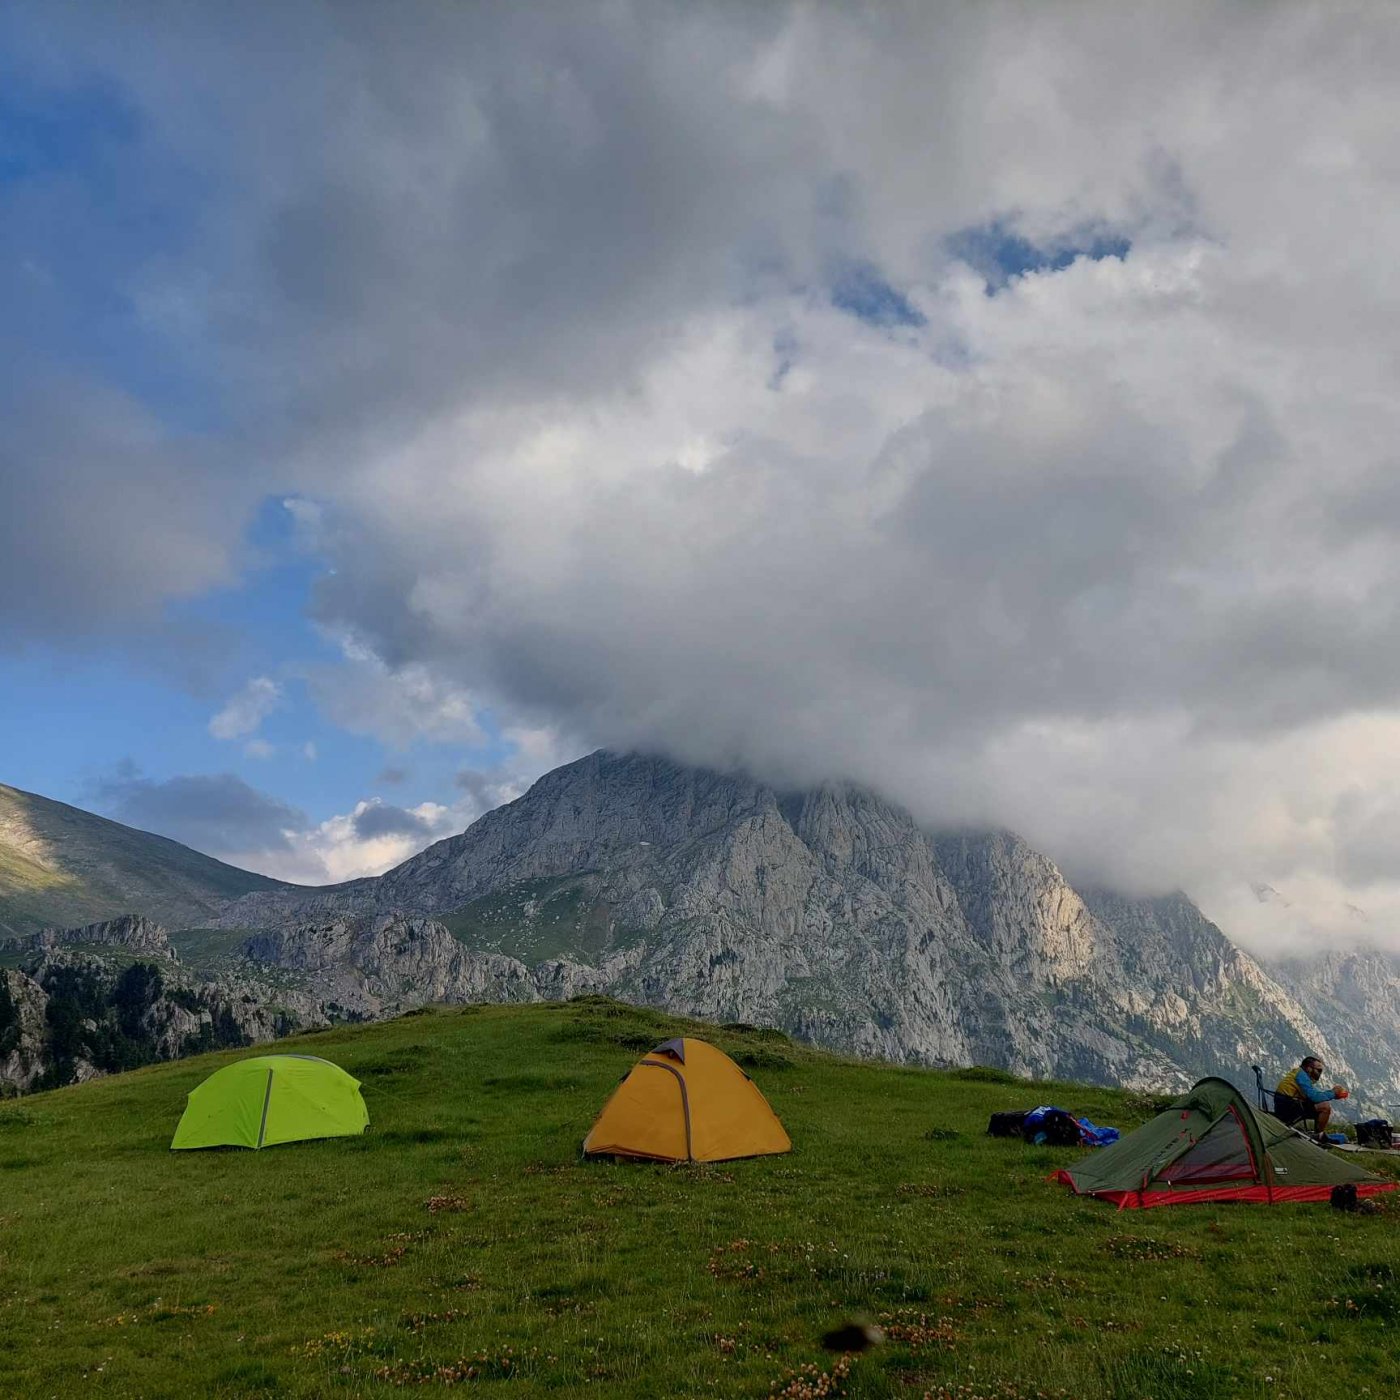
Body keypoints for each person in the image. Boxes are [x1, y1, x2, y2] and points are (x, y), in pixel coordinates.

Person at [1275, 1055, 1349, 1140]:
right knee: (1325, 1107)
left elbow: (1312, 1093)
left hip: (1286, 1105)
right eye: (1319, 1070)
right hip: (1287, 1108)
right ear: (1309, 1069)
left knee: (1320, 1104)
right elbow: (1314, 1097)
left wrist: (1332, 1094)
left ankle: (1317, 1135)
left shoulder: (1299, 1073)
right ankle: (1319, 1136)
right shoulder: (1301, 1076)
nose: (1320, 1073)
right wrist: (1333, 1093)